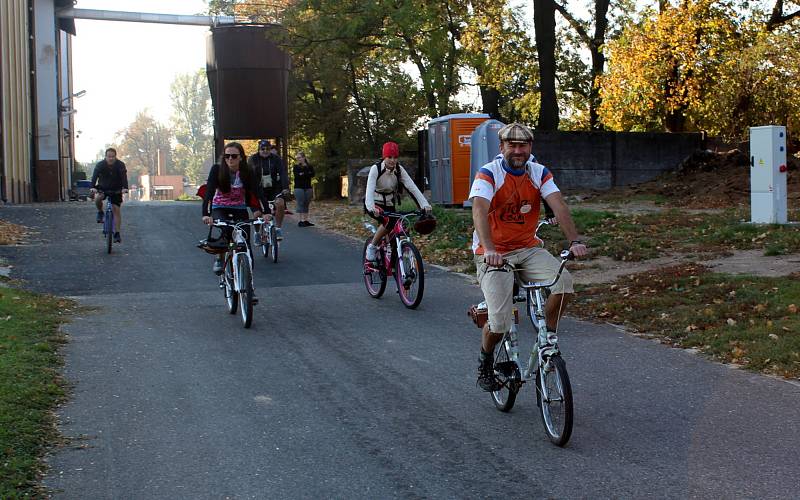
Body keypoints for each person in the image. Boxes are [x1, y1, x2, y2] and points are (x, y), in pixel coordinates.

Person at [469, 123, 588, 391]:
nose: (518, 151)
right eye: (512, 145)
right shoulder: (489, 174)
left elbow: (558, 203)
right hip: (494, 254)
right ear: (502, 148)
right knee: (499, 323)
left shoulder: (538, 172)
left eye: (523, 146)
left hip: (528, 248)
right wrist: (489, 249)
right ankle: (485, 362)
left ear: (530, 148)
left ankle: (547, 336)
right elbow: (479, 209)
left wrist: (575, 240)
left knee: (564, 284)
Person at [202, 142, 265, 275]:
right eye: (227, 156)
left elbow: (258, 192)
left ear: (241, 157)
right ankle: (219, 256)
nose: (230, 159)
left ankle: (249, 286)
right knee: (226, 229)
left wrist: (266, 212)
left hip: (239, 208)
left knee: (245, 239)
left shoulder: (247, 172)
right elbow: (209, 193)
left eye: (234, 156)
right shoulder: (216, 170)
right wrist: (206, 214)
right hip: (220, 207)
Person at [364, 141, 432, 261]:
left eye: (395, 157)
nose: (392, 160)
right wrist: (371, 207)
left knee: (402, 223)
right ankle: (372, 246)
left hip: (389, 204)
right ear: (384, 157)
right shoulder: (376, 169)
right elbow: (369, 190)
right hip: (375, 204)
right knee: (389, 222)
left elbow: (412, 187)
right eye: (389, 157)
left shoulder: (399, 170)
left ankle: (399, 251)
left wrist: (424, 204)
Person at [248, 140, 289, 239]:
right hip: (257, 189)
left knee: (280, 203)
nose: (265, 151)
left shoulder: (276, 159)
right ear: (259, 149)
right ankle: (257, 233)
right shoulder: (253, 159)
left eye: (268, 149)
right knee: (257, 214)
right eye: (263, 149)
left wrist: (285, 188)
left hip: (273, 188)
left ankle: (278, 229)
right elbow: (248, 175)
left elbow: (283, 173)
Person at [90, 148, 129, 243]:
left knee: (116, 210)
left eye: (113, 156)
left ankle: (117, 234)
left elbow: (124, 177)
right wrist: (93, 187)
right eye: (109, 156)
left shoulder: (120, 165)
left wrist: (125, 188)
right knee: (98, 199)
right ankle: (100, 212)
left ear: (115, 157)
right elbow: (94, 177)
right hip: (103, 188)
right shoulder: (100, 165)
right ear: (105, 157)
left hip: (116, 189)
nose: (111, 158)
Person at [293, 151, 315, 227]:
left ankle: (306, 220)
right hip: (299, 188)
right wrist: (306, 174)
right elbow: (297, 176)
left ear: (304, 157)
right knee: (301, 203)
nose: (298, 159)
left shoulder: (309, 166)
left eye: (299, 157)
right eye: (297, 158)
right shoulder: (296, 167)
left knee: (306, 203)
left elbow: (312, 174)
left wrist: (304, 173)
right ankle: (301, 220)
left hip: (308, 187)